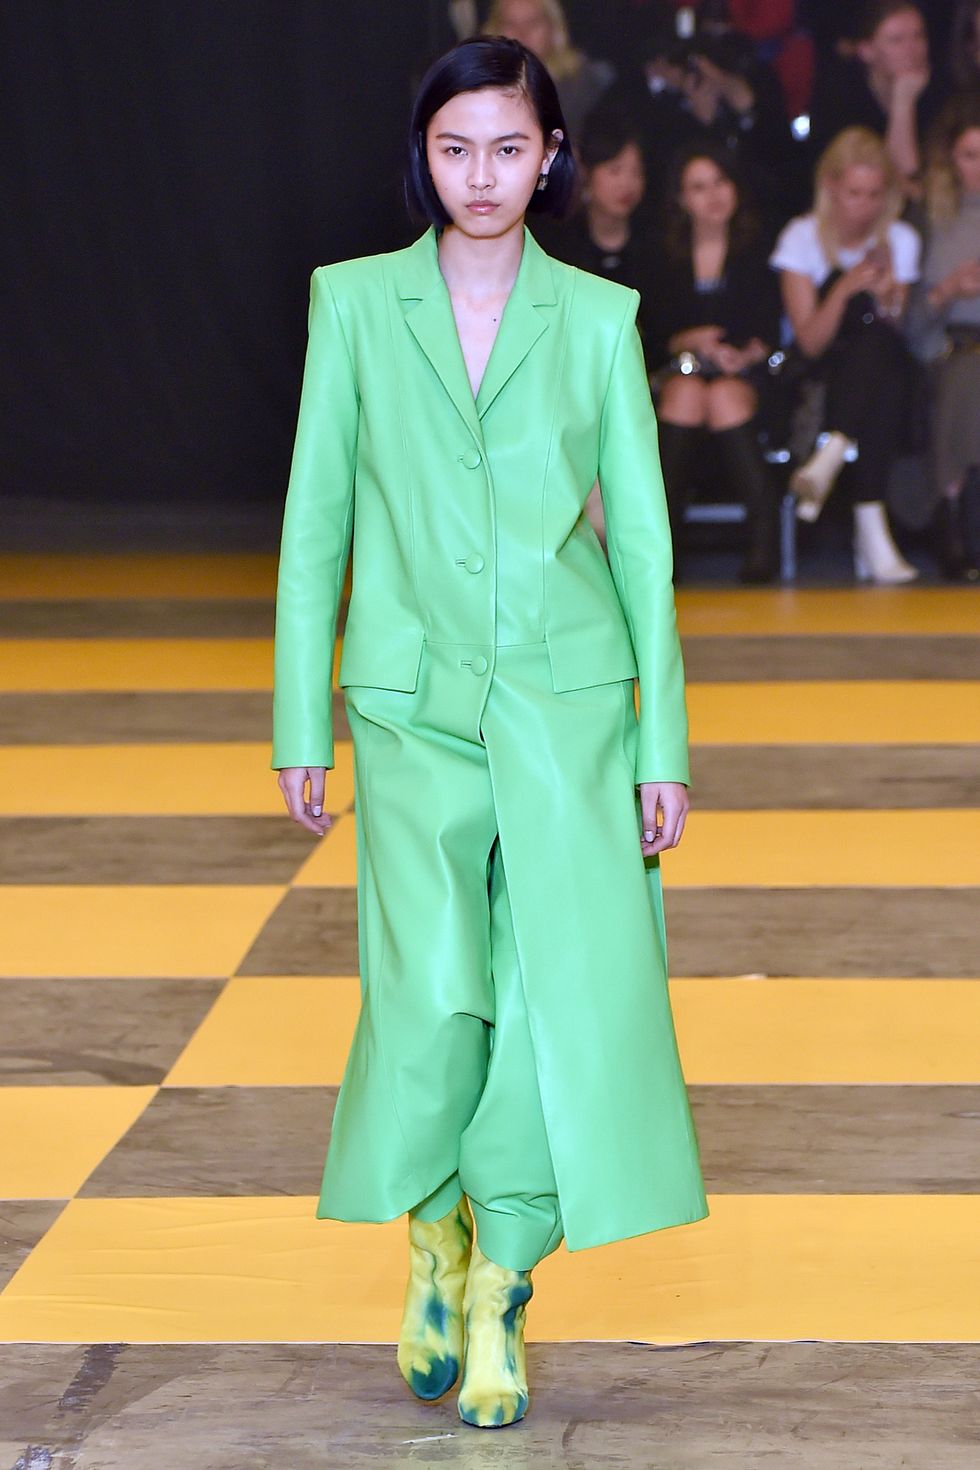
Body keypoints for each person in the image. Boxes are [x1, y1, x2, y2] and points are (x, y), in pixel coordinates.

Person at [271, 35, 707, 1430]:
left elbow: (642, 546)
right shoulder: (353, 304)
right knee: (428, 990)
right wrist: (299, 719)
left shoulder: (598, 318)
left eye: (508, 148)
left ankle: (502, 1279)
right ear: (424, 155)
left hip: (568, 707)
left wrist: (661, 744)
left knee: (547, 997)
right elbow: (314, 523)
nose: (481, 175)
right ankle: (432, 1229)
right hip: (409, 706)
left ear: (549, 157)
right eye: (456, 148)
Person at [771, 125, 922, 582]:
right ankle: (871, 529)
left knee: (881, 350)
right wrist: (844, 289)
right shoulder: (800, 237)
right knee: (875, 354)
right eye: (855, 193)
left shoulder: (900, 239)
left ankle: (832, 453)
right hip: (822, 371)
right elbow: (810, 342)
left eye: (875, 194)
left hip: (880, 370)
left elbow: (899, 331)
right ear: (831, 187)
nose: (865, 206)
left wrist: (888, 290)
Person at [648, 141, 783, 582]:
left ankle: (764, 537)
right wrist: (686, 341)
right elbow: (649, 332)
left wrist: (744, 353)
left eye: (720, 182)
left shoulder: (761, 248)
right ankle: (661, 544)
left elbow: (769, 328)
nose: (713, 195)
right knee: (685, 394)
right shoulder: (661, 254)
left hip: (744, 374)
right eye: (699, 187)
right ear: (681, 199)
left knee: (724, 396)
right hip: (679, 372)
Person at [909, 94, 980, 579]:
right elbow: (910, 325)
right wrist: (948, 290)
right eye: (970, 155)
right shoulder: (931, 219)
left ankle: (953, 512)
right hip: (943, 346)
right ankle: (958, 512)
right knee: (966, 372)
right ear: (950, 160)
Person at [808, 1, 941, 199]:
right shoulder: (840, 97)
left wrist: (904, 101)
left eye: (918, 36)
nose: (912, 49)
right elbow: (887, 185)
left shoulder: (940, 93)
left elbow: (915, 183)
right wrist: (902, 104)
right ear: (866, 50)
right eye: (897, 40)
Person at [487, 0, 616, 140]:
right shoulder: (481, 88)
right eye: (510, 24)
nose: (522, 33)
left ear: (553, 28)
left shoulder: (585, 83)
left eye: (533, 23)